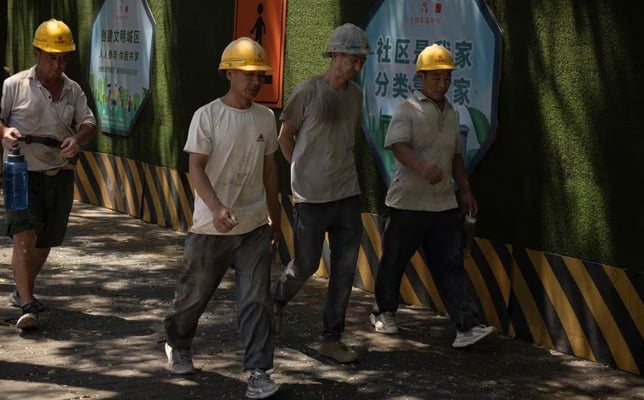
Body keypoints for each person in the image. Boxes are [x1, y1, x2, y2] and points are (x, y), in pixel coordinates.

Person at [162, 37, 281, 399]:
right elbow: (195, 168)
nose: (253, 80)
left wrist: (275, 219)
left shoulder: (266, 117)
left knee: (256, 300)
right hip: (210, 228)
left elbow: (270, 170)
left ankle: (259, 372)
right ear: (228, 72)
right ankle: (178, 343)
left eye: (259, 74)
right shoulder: (207, 116)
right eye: (246, 73)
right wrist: (216, 208)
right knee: (193, 297)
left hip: (255, 228)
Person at [369, 44, 497, 348]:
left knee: (450, 264)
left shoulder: (452, 114)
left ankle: (467, 327)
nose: (443, 84)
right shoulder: (406, 109)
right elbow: (397, 146)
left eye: (447, 78)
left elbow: (455, 156)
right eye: (436, 78)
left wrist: (464, 189)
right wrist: (422, 166)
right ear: (421, 77)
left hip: (442, 204)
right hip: (406, 203)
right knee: (394, 260)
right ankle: (383, 311)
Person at [271, 23, 370, 363]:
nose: (357, 67)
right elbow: (285, 138)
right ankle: (277, 299)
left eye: (361, 62)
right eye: (353, 60)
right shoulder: (308, 91)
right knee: (305, 265)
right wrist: (300, 170)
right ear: (336, 55)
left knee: (344, 269)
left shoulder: (356, 96)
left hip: (346, 194)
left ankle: (332, 338)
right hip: (310, 198)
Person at [0, 18, 96, 331]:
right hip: (20, 171)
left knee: (46, 240)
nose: (58, 63)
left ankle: (21, 289)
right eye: (52, 57)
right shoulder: (14, 86)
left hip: (59, 171)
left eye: (64, 57)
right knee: (23, 236)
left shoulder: (73, 90)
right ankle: (27, 304)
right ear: (37, 53)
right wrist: (5, 132)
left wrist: (76, 140)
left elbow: (89, 123)